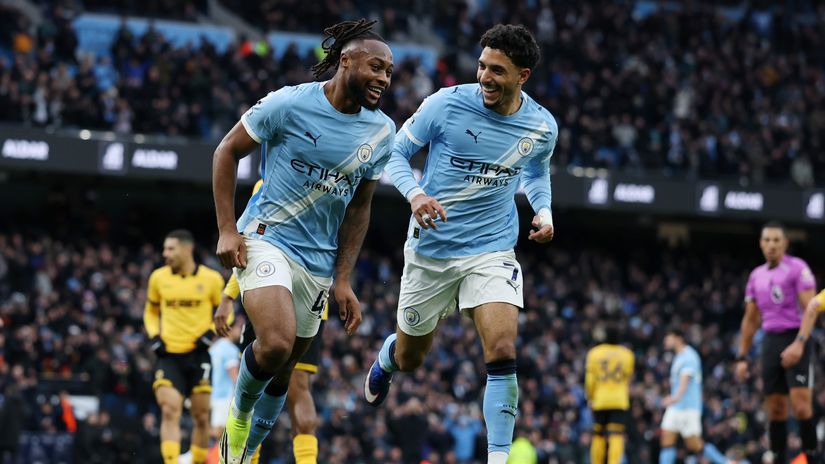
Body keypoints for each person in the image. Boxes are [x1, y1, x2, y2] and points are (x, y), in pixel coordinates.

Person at [364, 24, 556, 464]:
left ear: (522, 76)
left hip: (492, 248)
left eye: (497, 71)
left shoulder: (542, 126)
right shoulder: (445, 105)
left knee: (503, 348)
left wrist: (543, 211)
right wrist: (415, 195)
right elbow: (395, 151)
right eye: (482, 66)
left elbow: (536, 172)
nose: (485, 77)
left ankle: (498, 457)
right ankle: (388, 358)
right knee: (412, 358)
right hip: (432, 249)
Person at [211, 17, 395, 464]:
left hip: (317, 263)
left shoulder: (381, 132)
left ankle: (248, 448)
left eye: (389, 72)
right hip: (266, 237)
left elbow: (359, 208)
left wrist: (344, 278)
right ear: (345, 61)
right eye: (375, 67)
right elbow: (226, 151)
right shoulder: (288, 104)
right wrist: (227, 228)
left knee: (284, 370)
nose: (383, 79)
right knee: (274, 343)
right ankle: (236, 422)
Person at [214, 239, 327, 464]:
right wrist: (343, 281)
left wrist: (228, 296)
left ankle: (245, 458)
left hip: (268, 289)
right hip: (313, 295)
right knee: (299, 388)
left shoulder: (275, 206)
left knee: (256, 381)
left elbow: (254, 241)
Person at [735, 222, 817, 463]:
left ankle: (812, 457)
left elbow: (811, 308)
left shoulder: (798, 269)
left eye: (776, 240)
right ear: (761, 243)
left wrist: (800, 343)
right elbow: (750, 320)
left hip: (796, 336)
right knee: (776, 408)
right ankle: (779, 457)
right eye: (767, 240)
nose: (771, 245)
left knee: (801, 405)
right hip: (770, 341)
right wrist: (742, 356)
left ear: (785, 243)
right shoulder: (756, 276)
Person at [143, 229, 225, 464]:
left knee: (200, 417)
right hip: (168, 355)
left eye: (170, 249)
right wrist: (153, 336)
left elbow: (225, 313)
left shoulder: (211, 279)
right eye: (164, 248)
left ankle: (197, 461)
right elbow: (150, 311)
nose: (164, 253)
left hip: (198, 355)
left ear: (187, 249)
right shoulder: (158, 278)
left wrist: (211, 333)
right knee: (169, 411)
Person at [660, 327, 741, 464]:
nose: (665, 341)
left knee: (695, 445)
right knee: (666, 440)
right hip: (676, 407)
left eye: (668, 337)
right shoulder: (678, 357)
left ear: (678, 338)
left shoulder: (689, 356)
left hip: (688, 408)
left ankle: (725, 462)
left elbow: (685, 379)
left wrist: (674, 398)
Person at [585, 323, 634, 464]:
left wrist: (591, 397)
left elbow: (590, 380)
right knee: (616, 435)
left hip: (600, 399)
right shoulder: (627, 354)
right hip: (619, 400)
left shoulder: (594, 353)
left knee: (598, 434)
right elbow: (628, 378)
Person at [209, 313, 242, 457]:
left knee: (216, 430)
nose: (240, 332)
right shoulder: (230, 349)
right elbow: (235, 377)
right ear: (230, 328)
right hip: (225, 396)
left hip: (212, 394)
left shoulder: (214, 348)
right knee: (222, 433)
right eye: (238, 328)